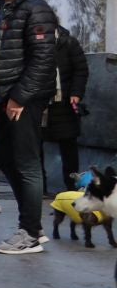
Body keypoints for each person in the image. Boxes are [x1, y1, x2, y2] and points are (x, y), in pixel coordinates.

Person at [0, 0, 59, 255]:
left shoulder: (36, 8)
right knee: (3, 155)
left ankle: (29, 232)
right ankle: (32, 225)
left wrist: (19, 97)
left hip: (24, 98)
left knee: (26, 162)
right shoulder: (1, 6)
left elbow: (43, 58)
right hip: (3, 96)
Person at [45, 24, 89, 192]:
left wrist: (76, 93)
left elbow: (81, 69)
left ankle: (71, 186)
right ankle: (38, 188)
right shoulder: (32, 41)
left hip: (64, 101)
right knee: (35, 143)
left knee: (68, 144)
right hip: (40, 101)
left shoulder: (68, 43)